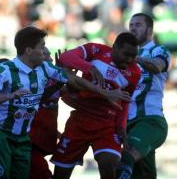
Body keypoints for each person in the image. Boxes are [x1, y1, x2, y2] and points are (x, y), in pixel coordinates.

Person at [0, 26, 130, 179]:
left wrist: (106, 92)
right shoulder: (4, 71)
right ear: (29, 50)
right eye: (42, 47)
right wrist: (10, 96)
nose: (44, 51)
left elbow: (74, 79)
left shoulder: (44, 68)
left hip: (22, 140)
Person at [51, 32, 141, 179]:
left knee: (109, 163)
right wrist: (89, 68)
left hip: (106, 123)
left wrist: (121, 127)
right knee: (60, 173)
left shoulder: (135, 72)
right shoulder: (96, 50)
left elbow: (125, 100)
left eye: (133, 56)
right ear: (115, 47)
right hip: (80, 119)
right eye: (126, 54)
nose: (130, 60)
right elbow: (65, 57)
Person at [116, 13, 171, 179]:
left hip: (150, 121)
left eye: (138, 25)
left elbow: (157, 66)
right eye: (131, 25)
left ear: (150, 29)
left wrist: (134, 58)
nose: (133, 28)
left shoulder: (158, 50)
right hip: (128, 123)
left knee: (125, 157)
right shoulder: (125, 57)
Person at [29, 48, 65, 179]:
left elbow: (71, 92)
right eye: (46, 55)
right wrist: (59, 83)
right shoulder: (30, 77)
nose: (51, 59)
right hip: (31, 141)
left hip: (45, 136)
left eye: (50, 56)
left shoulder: (54, 78)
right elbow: (38, 97)